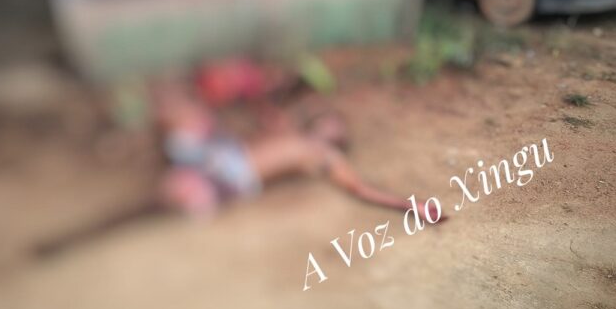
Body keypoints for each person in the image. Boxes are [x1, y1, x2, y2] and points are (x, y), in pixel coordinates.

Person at [156, 89, 441, 220]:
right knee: (179, 115)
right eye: (327, 119)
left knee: (173, 188)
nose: (327, 122)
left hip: (233, 176)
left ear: (338, 139)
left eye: (333, 125)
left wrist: (407, 205)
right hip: (222, 155)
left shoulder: (322, 155)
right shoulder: (296, 132)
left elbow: (360, 189)